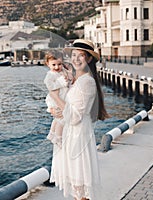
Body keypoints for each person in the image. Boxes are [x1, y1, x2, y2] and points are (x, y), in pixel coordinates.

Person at [49, 39, 109, 200]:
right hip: (72, 135)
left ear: (89, 59)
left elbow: (74, 116)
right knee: (77, 189)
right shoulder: (77, 80)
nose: (76, 59)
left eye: (80, 55)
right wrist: (57, 110)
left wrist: (54, 95)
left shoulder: (87, 82)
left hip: (78, 137)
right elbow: (69, 108)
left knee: (80, 187)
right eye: (73, 55)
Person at [43, 53, 69, 148]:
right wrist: (61, 83)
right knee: (61, 119)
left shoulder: (62, 71)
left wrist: (68, 76)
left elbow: (68, 75)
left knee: (57, 119)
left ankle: (52, 133)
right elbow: (50, 86)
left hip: (62, 96)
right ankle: (58, 138)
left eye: (59, 64)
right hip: (55, 99)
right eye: (54, 65)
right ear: (48, 64)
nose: (57, 67)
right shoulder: (50, 75)